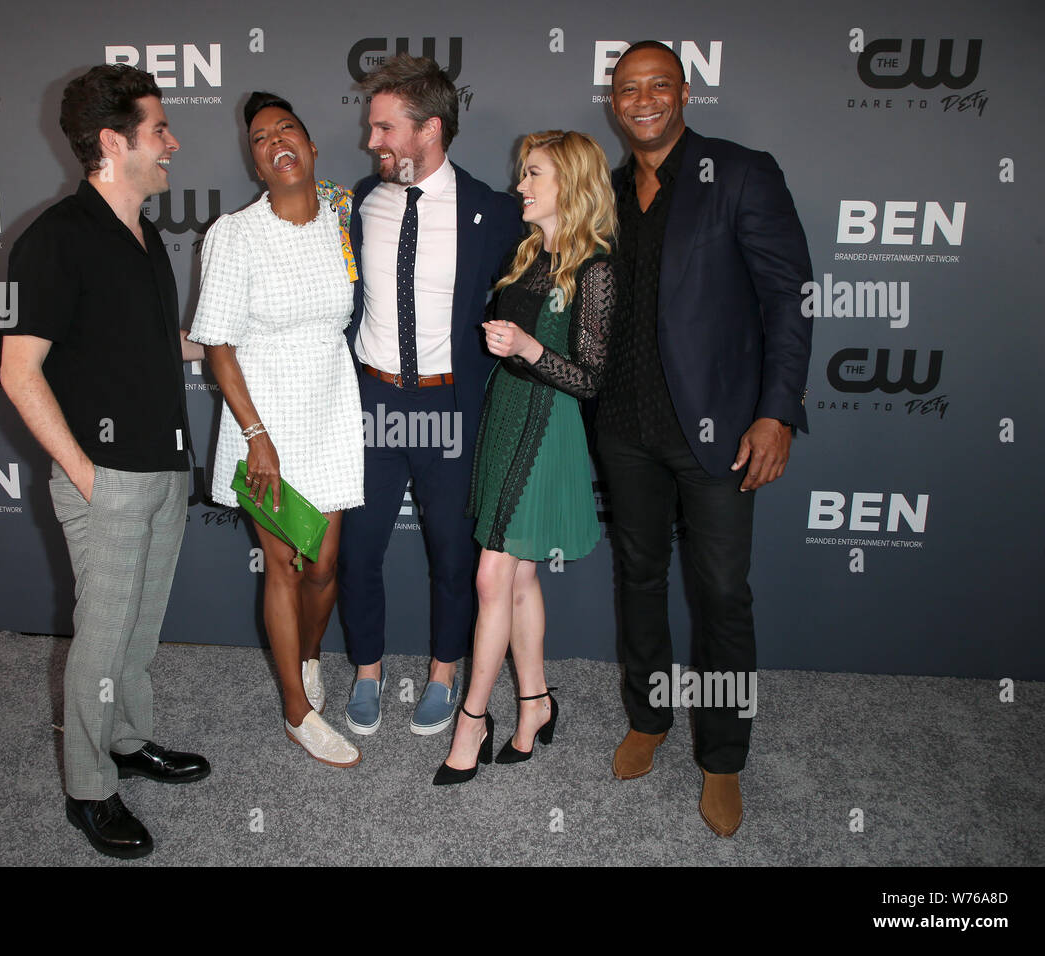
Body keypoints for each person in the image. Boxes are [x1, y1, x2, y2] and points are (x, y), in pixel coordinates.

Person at [598, 41, 813, 836]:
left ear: (684, 93)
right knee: (642, 580)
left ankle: (722, 757)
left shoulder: (741, 172)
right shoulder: (610, 189)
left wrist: (776, 412)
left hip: (718, 433)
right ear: (612, 100)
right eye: (629, 88)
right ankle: (650, 719)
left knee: (722, 596)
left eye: (659, 85)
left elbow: (791, 299)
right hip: (623, 426)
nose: (644, 99)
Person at [1, 64, 210, 860]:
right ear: (115, 142)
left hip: (163, 466)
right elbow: (19, 373)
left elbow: (157, 346)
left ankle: (128, 740)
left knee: (139, 631)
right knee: (101, 638)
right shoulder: (55, 240)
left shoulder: (144, 234)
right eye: (160, 130)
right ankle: (89, 790)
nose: (173, 143)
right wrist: (87, 477)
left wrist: (230, 345)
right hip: (108, 478)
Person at [338, 54, 523, 737]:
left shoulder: (494, 214)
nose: (371, 141)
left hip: (450, 409)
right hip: (373, 404)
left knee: (453, 554)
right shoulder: (358, 203)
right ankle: (366, 671)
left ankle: (445, 672)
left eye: (385, 128)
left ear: (430, 129)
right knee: (359, 550)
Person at [434, 131, 620, 785]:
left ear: (567, 183)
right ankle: (535, 703)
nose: (521, 185)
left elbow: (592, 379)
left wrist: (527, 348)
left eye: (534, 173)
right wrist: (502, 341)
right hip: (506, 413)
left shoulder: (595, 267)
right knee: (516, 580)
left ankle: (472, 721)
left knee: (492, 580)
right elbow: (511, 342)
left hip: (547, 427)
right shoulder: (526, 253)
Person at [190, 92, 364, 768]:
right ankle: (297, 712)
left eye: (287, 129)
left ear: (312, 148)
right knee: (285, 565)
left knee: (324, 565)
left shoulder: (340, 215)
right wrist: (257, 433)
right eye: (260, 139)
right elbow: (219, 346)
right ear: (255, 163)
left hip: (327, 405)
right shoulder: (234, 234)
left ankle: (310, 659)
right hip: (260, 418)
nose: (275, 142)